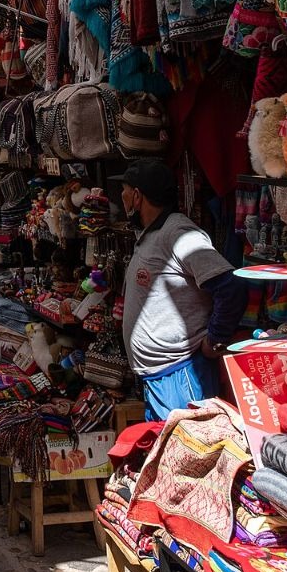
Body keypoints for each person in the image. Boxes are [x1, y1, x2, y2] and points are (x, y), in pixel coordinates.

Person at [115, 158, 247, 420]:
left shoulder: (177, 233)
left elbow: (230, 286)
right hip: (160, 378)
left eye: (125, 191)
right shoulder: (152, 234)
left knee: (190, 444)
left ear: (137, 197)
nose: (122, 197)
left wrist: (214, 340)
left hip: (182, 376)